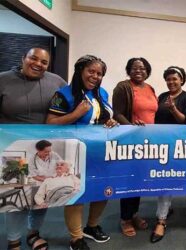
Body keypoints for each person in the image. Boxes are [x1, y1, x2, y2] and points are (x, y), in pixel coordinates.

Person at [47, 55, 118, 250]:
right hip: (73, 152)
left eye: (100, 73)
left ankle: (92, 226)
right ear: (80, 71)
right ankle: (76, 237)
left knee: (102, 191)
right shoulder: (63, 94)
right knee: (77, 194)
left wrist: (109, 122)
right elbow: (49, 124)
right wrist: (75, 115)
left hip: (100, 152)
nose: (95, 76)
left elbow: (102, 119)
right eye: (91, 71)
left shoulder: (102, 93)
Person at [0, 47, 66, 250]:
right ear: (23, 58)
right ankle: (13, 241)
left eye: (44, 62)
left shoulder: (56, 81)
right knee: (17, 195)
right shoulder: (3, 79)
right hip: (13, 151)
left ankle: (33, 233)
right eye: (33, 58)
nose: (38, 64)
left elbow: (71, 105)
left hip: (42, 147)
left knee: (41, 195)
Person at [112, 57, 157, 237]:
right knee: (129, 178)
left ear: (148, 71)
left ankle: (134, 213)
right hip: (131, 140)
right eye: (135, 68)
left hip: (148, 141)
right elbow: (117, 113)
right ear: (128, 70)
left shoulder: (150, 88)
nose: (139, 71)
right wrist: (131, 125)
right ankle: (125, 218)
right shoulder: (123, 87)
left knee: (140, 179)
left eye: (143, 68)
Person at [151, 66, 186, 243]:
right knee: (163, 180)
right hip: (162, 145)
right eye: (168, 79)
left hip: (179, 146)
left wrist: (173, 109)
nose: (171, 82)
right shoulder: (161, 97)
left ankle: (163, 220)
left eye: (175, 79)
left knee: (172, 180)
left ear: (182, 80)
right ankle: (163, 215)